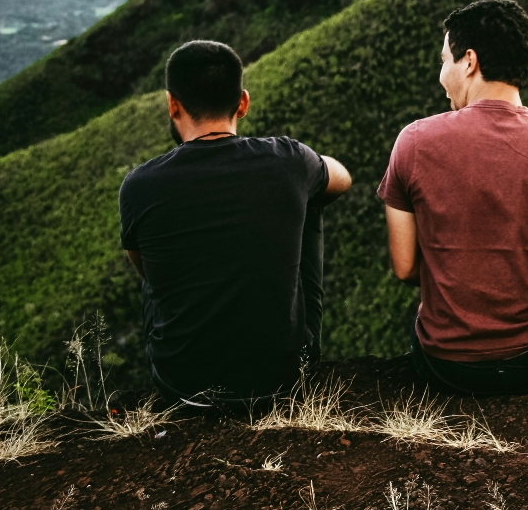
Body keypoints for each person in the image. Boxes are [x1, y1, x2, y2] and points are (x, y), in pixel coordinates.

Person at [380, 0, 528, 395]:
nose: (441, 75)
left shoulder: (413, 142)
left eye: (444, 60)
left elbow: (405, 267)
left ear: (469, 61)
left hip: (447, 366)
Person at [119, 40, 353, 405]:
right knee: (312, 197)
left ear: (172, 103)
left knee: (157, 259)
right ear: (242, 103)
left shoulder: (139, 185)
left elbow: (148, 273)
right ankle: (302, 354)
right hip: (279, 380)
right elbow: (343, 178)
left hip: (181, 383)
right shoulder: (288, 160)